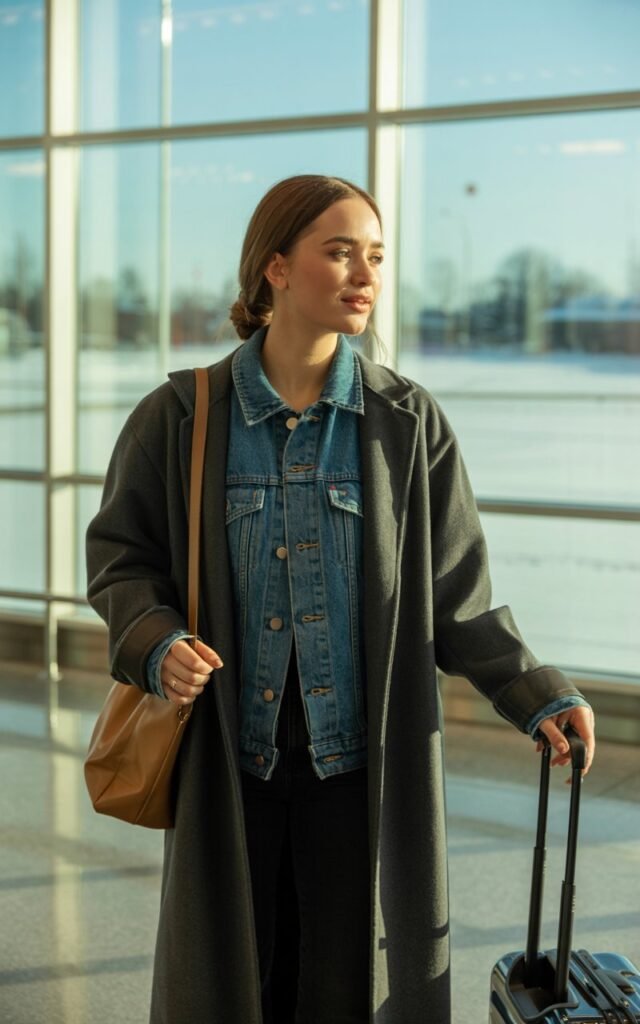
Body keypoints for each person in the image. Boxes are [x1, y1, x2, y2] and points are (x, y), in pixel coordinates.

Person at [85, 173, 596, 1024]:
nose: (365, 272)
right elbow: (120, 561)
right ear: (275, 268)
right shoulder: (180, 416)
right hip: (229, 762)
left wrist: (538, 694)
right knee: (232, 982)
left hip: (358, 770)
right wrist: (158, 641)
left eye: (377, 255)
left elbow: (455, 595)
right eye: (339, 251)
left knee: (345, 988)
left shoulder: (405, 423)